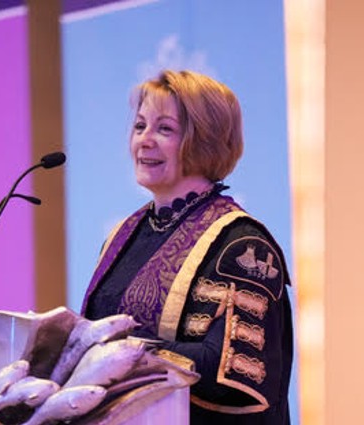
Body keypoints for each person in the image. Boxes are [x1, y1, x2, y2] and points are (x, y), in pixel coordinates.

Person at [80, 70, 293, 424]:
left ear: (204, 141)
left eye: (164, 129)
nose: (145, 141)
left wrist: (121, 351)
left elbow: (232, 374)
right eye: (139, 127)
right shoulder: (124, 234)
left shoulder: (242, 246)